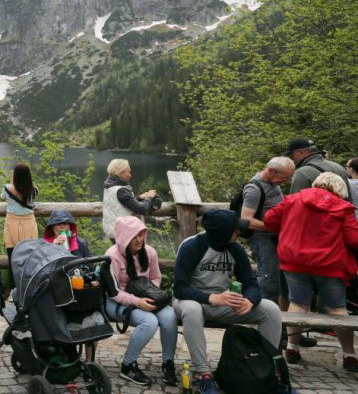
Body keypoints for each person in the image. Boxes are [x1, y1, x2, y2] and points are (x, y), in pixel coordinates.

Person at [173, 209, 282, 394]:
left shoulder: (235, 249)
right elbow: (180, 288)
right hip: (193, 300)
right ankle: (204, 373)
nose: (238, 233)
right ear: (222, 231)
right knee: (191, 310)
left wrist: (249, 300)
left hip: (224, 303)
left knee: (270, 309)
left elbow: (251, 284)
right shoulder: (192, 246)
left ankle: (264, 371)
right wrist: (211, 298)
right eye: (234, 230)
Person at [264, 172, 358, 372]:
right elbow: (353, 240)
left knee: (298, 304)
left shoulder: (292, 200)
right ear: (339, 188)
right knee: (337, 308)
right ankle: (349, 355)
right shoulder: (343, 207)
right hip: (329, 264)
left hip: (294, 261)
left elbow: (270, 219)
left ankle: (292, 348)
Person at [105, 216, 177, 387]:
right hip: (117, 301)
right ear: (123, 237)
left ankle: (168, 363)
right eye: (133, 236)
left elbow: (155, 277)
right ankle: (128, 365)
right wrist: (138, 302)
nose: (138, 240)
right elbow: (113, 292)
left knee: (170, 317)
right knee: (149, 321)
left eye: (141, 235)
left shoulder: (149, 252)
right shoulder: (112, 257)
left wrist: (151, 294)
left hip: (146, 297)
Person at [239, 157, 295, 309]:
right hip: (262, 241)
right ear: (271, 171)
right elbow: (246, 220)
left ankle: (280, 322)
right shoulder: (254, 189)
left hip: (277, 239)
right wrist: (274, 227)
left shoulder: (273, 183)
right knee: (268, 282)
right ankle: (263, 318)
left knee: (280, 281)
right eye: (284, 178)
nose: (286, 181)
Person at [102, 159, 161, 242]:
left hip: (115, 231)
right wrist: (150, 197)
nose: (130, 175)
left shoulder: (110, 187)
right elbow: (142, 209)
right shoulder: (121, 190)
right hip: (123, 233)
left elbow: (121, 203)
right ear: (120, 172)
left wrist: (140, 197)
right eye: (128, 172)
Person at [287, 138, 352, 200]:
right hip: (341, 211)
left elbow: (295, 204)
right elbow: (348, 198)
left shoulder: (302, 173)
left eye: (291, 155)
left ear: (300, 152)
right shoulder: (338, 167)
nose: (292, 159)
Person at [2, 163, 39, 260]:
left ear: (15, 176)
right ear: (28, 176)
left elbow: (2, 197)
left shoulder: (7, 188)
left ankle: (13, 275)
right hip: (29, 223)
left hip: (11, 223)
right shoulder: (34, 191)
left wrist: (11, 180)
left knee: (12, 255)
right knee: (30, 256)